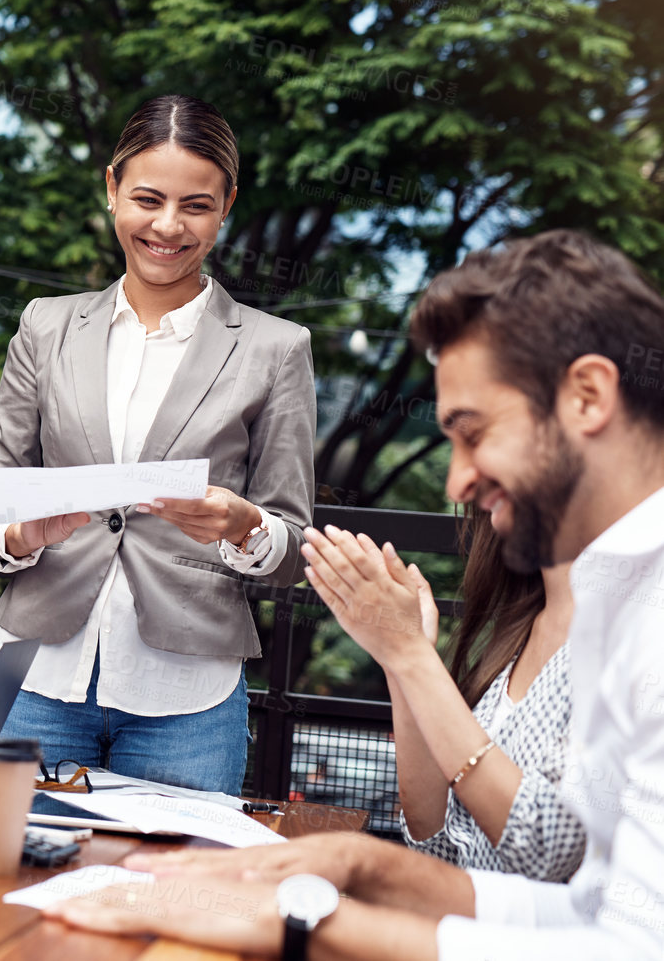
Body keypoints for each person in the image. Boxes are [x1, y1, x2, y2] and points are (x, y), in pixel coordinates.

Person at [46, 230, 664, 960]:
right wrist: (362, 865)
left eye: (472, 433)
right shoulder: (615, 590)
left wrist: (299, 921)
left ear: (588, 395)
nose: (455, 483)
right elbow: (589, 906)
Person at [0, 95, 315, 794]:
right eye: (146, 198)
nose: (166, 225)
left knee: (170, 898)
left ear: (226, 207)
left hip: (185, 697)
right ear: (110, 189)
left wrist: (243, 525)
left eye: (194, 204)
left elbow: (290, 542)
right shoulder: (44, 326)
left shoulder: (277, 349)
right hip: (29, 670)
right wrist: (22, 530)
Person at [302, 510, 580, 881]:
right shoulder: (519, 631)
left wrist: (410, 653)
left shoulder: (628, 639)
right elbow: (434, 843)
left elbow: (544, 848)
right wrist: (397, 658)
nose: (462, 484)